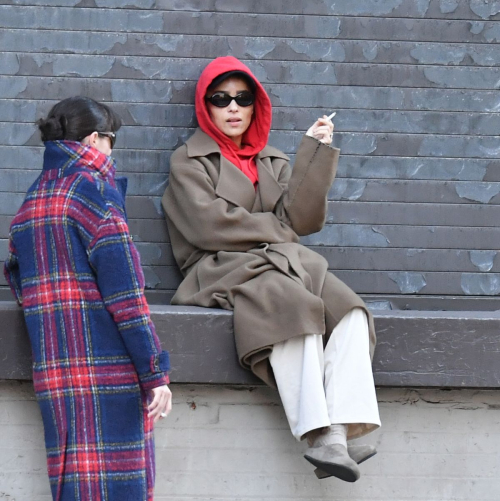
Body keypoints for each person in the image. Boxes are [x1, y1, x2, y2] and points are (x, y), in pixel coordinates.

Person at [162, 56, 380, 482]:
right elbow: (211, 227)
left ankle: (341, 427)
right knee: (293, 306)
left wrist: (313, 155)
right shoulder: (189, 161)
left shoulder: (272, 160)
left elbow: (301, 221)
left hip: (283, 263)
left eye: (242, 98)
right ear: (205, 106)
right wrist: (278, 230)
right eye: (220, 98)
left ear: (254, 105)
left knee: (350, 311)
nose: (232, 107)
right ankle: (318, 435)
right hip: (221, 268)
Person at [4, 96, 172, 500]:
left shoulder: (32, 202)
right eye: (112, 140)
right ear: (95, 140)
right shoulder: (94, 192)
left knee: (74, 487)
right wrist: (155, 373)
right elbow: (127, 296)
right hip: (107, 373)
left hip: (56, 374)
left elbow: (15, 273)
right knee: (119, 489)